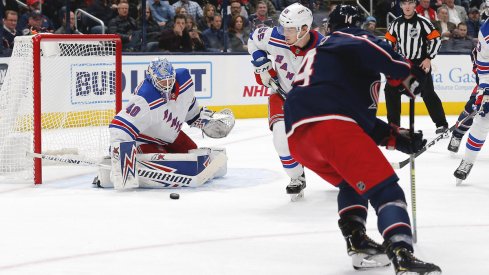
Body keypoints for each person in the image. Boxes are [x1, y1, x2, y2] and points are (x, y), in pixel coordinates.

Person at [284, 4, 441, 274]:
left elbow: (356, 119)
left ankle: (358, 243)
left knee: (353, 182)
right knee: (386, 190)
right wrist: (404, 71)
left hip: (299, 138)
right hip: (331, 126)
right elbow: (369, 48)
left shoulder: (332, 62)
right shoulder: (348, 39)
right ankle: (402, 254)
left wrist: (396, 138)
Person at [100, 58, 234, 189]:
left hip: (169, 135)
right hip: (145, 139)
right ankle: (137, 161)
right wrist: (120, 157)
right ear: (152, 79)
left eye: (170, 80)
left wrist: (202, 121)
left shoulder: (184, 81)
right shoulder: (145, 97)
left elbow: (188, 109)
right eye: (162, 82)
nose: (168, 85)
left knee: (192, 152)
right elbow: (119, 127)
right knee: (165, 162)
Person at [385, 0, 449, 134]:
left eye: (410, 3)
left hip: (420, 64)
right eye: (404, 4)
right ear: (401, 6)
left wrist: (428, 58)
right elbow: (388, 43)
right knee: (390, 90)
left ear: (415, 5)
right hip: (402, 64)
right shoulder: (395, 23)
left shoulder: (423, 22)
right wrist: (391, 62)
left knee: (428, 93)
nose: (407, 6)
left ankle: (441, 124)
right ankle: (393, 126)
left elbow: (436, 39)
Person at [453, 18, 489, 184]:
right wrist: (485, 89)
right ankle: (467, 160)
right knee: (481, 120)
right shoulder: (486, 30)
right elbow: (483, 64)